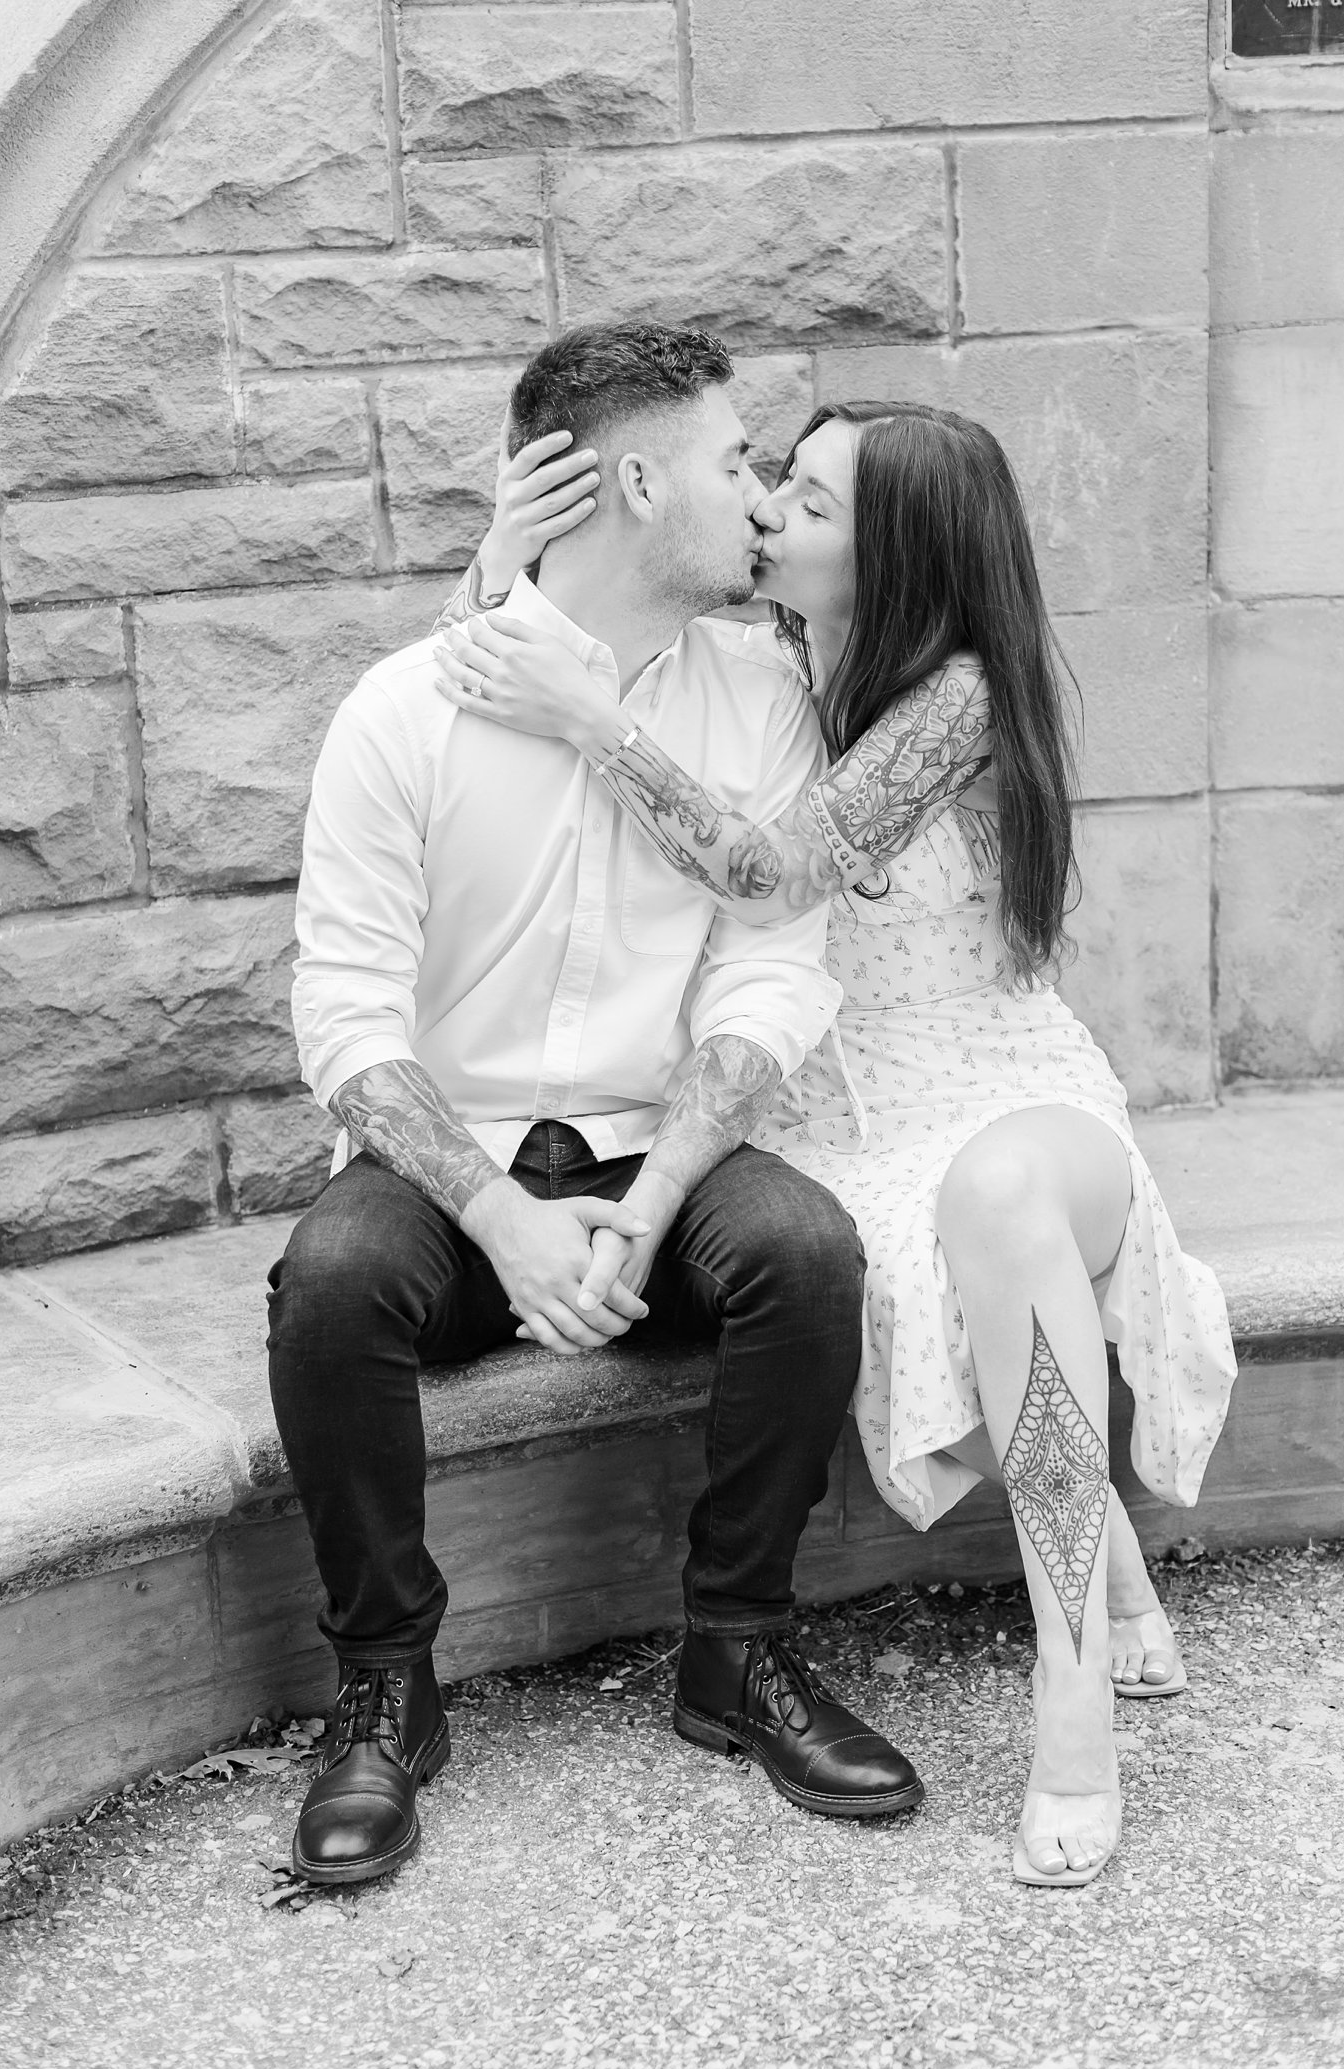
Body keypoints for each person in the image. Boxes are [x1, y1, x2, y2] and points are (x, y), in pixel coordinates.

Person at [433, 397, 1239, 1889]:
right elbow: (500, 685)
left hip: (1003, 1084)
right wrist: (503, 563)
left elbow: (771, 864)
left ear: (896, 551)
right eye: (772, 481)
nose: (765, 513)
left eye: (804, 499)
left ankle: (1071, 1688)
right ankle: (1104, 1554)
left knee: (991, 1203)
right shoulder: (761, 663)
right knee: (933, 1267)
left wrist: (593, 718)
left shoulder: (960, 699)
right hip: (834, 1111)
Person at [271, 329, 926, 1890]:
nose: (758, 494)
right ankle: (385, 1685)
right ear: (637, 480)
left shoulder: (756, 698)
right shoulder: (403, 712)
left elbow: (769, 970)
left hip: (658, 1139)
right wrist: (498, 1215)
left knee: (804, 1251)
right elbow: (346, 1018)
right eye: (731, 461)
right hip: (456, 1152)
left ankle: (739, 1648)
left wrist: (655, 1193)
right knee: (332, 1285)